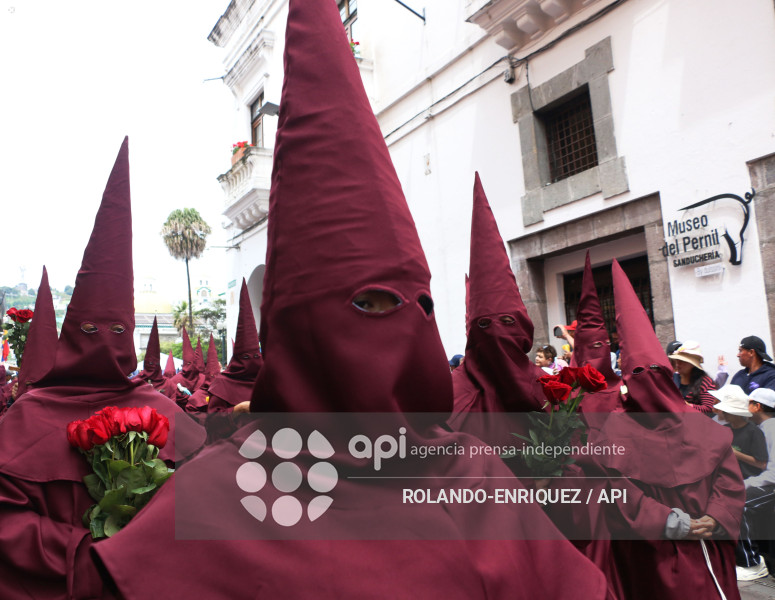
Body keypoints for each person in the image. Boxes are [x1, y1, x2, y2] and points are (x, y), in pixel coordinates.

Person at [93, 5, 608, 597]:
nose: (407, 327)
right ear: (298, 324)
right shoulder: (213, 499)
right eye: (370, 304)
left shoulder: (471, 472)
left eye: (424, 306)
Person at [0, 138, 205, 598]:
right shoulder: (28, 415)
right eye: (91, 329)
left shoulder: (162, 410)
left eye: (116, 331)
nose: (103, 342)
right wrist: (91, 554)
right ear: (73, 330)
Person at [736, 387, 775, 580]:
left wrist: (746, 484)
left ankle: (752, 564)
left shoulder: (771, 428)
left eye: (748, 403)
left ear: (757, 406)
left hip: (772, 485)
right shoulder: (762, 428)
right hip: (767, 482)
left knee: (740, 503)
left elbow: (772, 473)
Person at [709, 385, 767, 479]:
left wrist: (737, 454)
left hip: (745, 480)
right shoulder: (724, 429)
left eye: (728, 411)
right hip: (724, 476)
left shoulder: (753, 432)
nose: (724, 413)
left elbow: (762, 464)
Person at [668, 341, 717, 414]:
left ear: (692, 364)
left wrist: (687, 406)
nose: (678, 364)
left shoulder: (705, 383)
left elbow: (709, 409)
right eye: (677, 360)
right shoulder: (672, 379)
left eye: (682, 361)